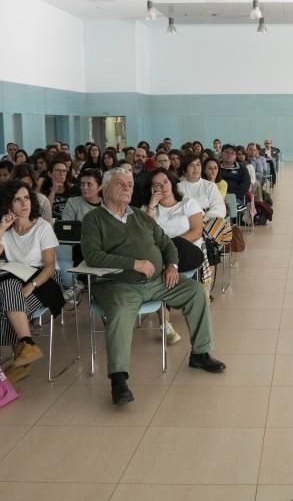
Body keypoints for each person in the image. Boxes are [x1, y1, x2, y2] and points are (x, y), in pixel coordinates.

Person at [81, 167, 226, 405]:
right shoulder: (93, 220)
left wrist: (172, 265)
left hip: (158, 280)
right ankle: (118, 379)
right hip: (119, 284)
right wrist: (133, 263)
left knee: (196, 291)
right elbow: (93, 255)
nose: (127, 187)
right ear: (105, 190)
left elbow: (166, 244)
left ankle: (200, 353)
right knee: (119, 313)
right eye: (121, 184)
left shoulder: (140, 217)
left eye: (129, 184)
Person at [0, 180, 63, 382]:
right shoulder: (6, 229)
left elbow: (50, 266)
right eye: (17, 200)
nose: (24, 204)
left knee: (5, 293)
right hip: (17, 281)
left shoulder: (43, 227)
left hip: (44, 282)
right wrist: (1, 229)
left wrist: (32, 285)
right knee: (8, 288)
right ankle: (26, 346)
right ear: (8, 205)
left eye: (26, 198)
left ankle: (22, 357)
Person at [145, 168, 210, 329]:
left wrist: (168, 246)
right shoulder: (148, 210)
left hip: (188, 252)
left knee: (172, 246)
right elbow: (144, 236)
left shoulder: (188, 203)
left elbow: (196, 231)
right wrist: (152, 206)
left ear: (172, 182)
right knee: (158, 270)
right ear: (152, 189)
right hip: (161, 259)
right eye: (157, 185)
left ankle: (167, 263)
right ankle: (165, 324)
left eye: (165, 182)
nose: (163, 187)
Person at [178, 153, 227, 220]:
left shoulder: (210, 186)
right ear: (184, 169)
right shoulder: (178, 188)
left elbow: (219, 207)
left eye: (198, 165)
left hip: (208, 222)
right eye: (191, 165)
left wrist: (204, 219)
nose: (195, 168)